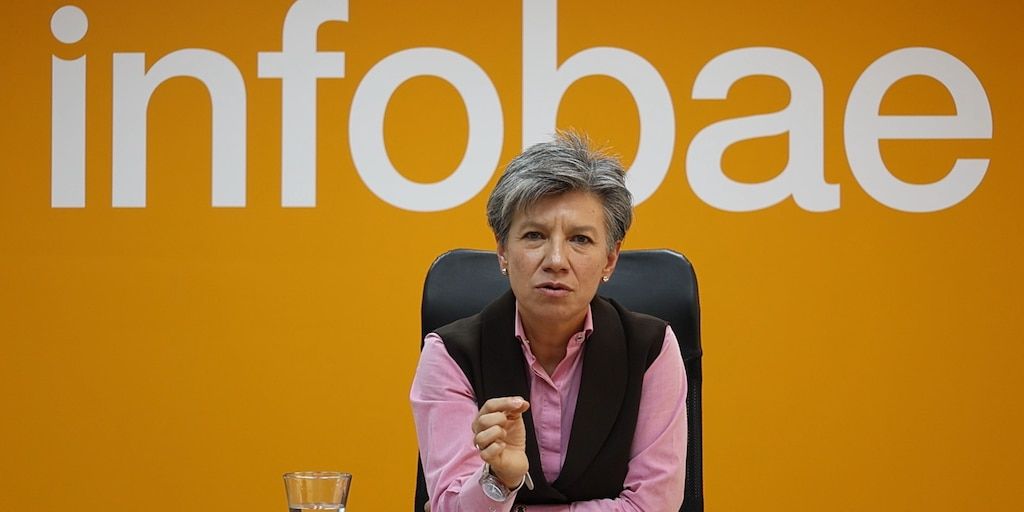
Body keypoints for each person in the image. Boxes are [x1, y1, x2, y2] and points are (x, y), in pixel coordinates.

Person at [411, 131, 687, 511]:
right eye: (534, 235)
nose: (556, 260)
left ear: (609, 259)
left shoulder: (651, 348)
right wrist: (500, 481)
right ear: (502, 251)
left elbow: (652, 506)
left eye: (580, 239)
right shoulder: (450, 355)